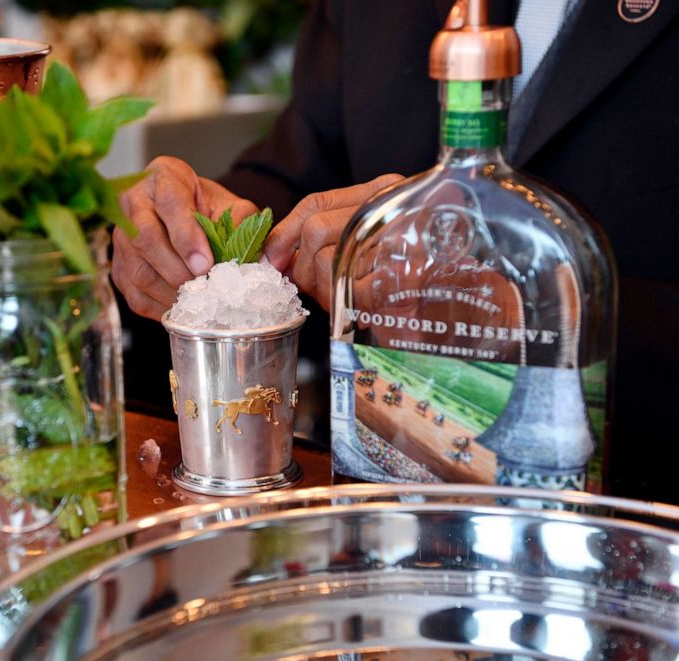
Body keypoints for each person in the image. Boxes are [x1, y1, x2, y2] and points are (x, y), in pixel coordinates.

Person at [112, 0, 679, 503]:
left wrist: (520, 309)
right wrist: (191, 229)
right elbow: (301, 171)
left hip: (627, 516)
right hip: (382, 508)